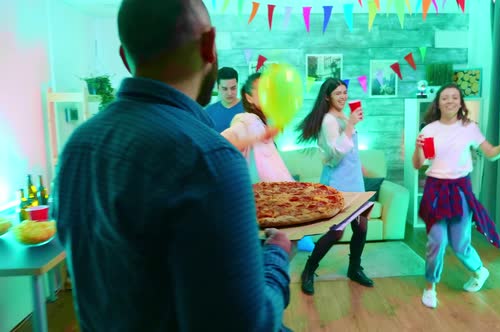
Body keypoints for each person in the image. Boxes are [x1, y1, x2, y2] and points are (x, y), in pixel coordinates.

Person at [51, 1, 292, 331]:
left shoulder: (77, 146)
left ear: (125, 57)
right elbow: (247, 323)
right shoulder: (210, 158)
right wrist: (277, 256)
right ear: (209, 47)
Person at [414, 83, 500, 309]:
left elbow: (490, 154)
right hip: (435, 189)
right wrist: (417, 148)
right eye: (445, 98)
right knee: (437, 241)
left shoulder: (469, 128)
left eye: (454, 97)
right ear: (438, 103)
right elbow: (418, 163)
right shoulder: (428, 130)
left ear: (460, 102)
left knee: (460, 244)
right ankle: (430, 287)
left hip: (460, 190)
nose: (450, 101)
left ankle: (480, 271)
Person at [296, 78, 374, 295]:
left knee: (361, 227)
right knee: (336, 233)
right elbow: (334, 156)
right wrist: (350, 126)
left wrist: (362, 168)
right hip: (338, 184)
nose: (343, 96)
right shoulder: (329, 120)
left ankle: (354, 268)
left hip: (354, 183)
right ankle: (309, 270)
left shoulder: (342, 116)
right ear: (327, 97)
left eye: (345, 92)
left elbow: (350, 153)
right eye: (338, 93)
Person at [221, 72, 293, 183]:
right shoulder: (249, 119)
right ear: (249, 98)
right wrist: (261, 136)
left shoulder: (262, 123)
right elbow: (222, 143)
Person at [205, 66, 244, 132]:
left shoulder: (249, 109)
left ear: (237, 86)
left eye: (233, 88)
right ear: (218, 87)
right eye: (225, 89)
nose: (229, 93)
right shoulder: (208, 113)